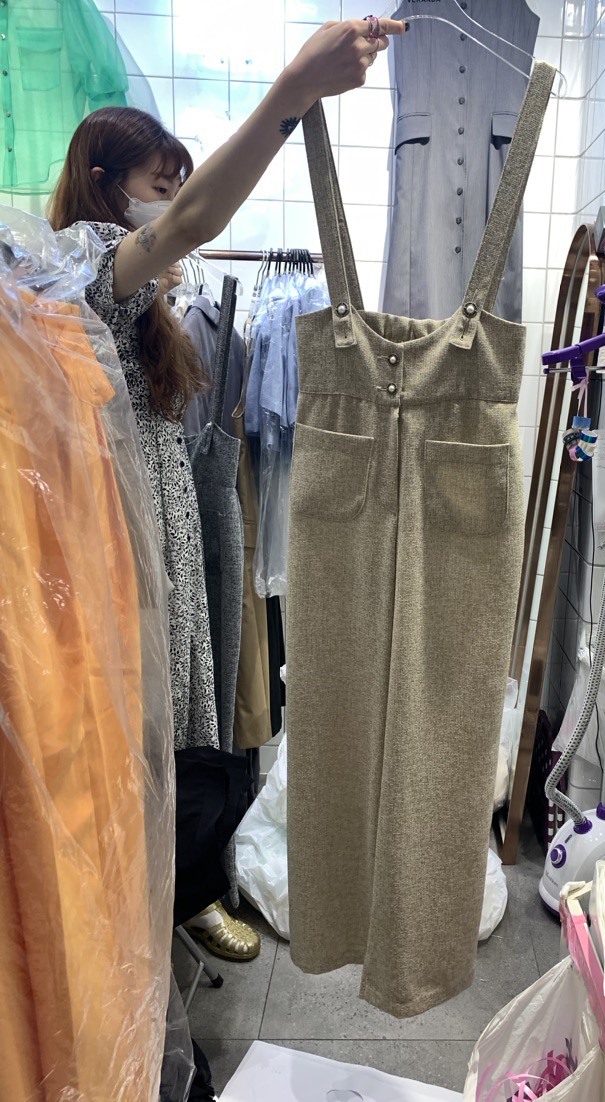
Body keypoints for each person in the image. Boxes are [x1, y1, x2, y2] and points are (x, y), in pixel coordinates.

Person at [47, 16, 407, 960]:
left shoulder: (150, 302)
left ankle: (177, 898)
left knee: (183, 738)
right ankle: (142, 925)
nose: (170, 204)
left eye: (175, 183)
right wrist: (296, 90)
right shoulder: (87, 275)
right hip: (126, 555)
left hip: (169, 545)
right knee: (143, 742)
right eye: (157, 185)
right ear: (102, 187)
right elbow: (196, 221)